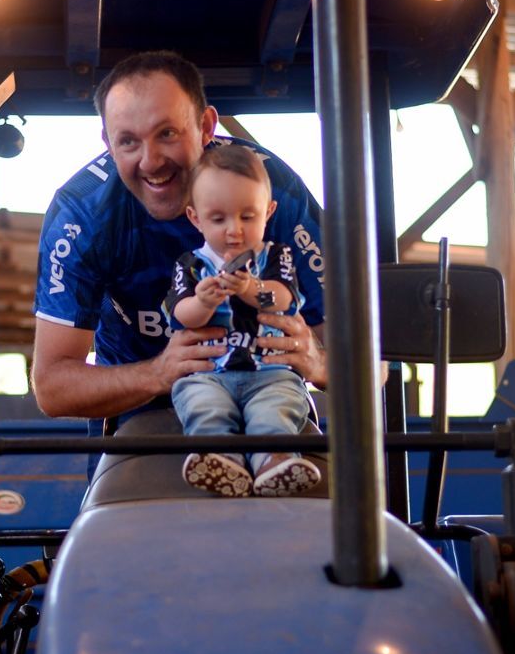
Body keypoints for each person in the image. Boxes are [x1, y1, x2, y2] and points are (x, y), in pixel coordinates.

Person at [30, 51, 328, 434]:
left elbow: (374, 364)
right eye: (128, 142)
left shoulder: (273, 190)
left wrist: (317, 363)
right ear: (107, 142)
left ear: (206, 127)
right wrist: (160, 373)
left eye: (167, 133)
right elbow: (52, 388)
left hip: (267, 401)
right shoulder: (82, 213)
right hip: (138, 412)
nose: (151, 161)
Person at [163, 144, 323, 497]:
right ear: (195, 218)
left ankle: (274, 462)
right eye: (218, 219)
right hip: (210, 374)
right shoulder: (190, 265)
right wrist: (203, 302)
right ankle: (219, 459)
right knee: (202, 407)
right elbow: (181, 315)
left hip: (270, 373)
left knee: (276, 411)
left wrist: (251, 289)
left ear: (268, 212)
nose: (234, 231)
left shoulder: (276, 256)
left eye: (247, 217)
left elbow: (283, 299)